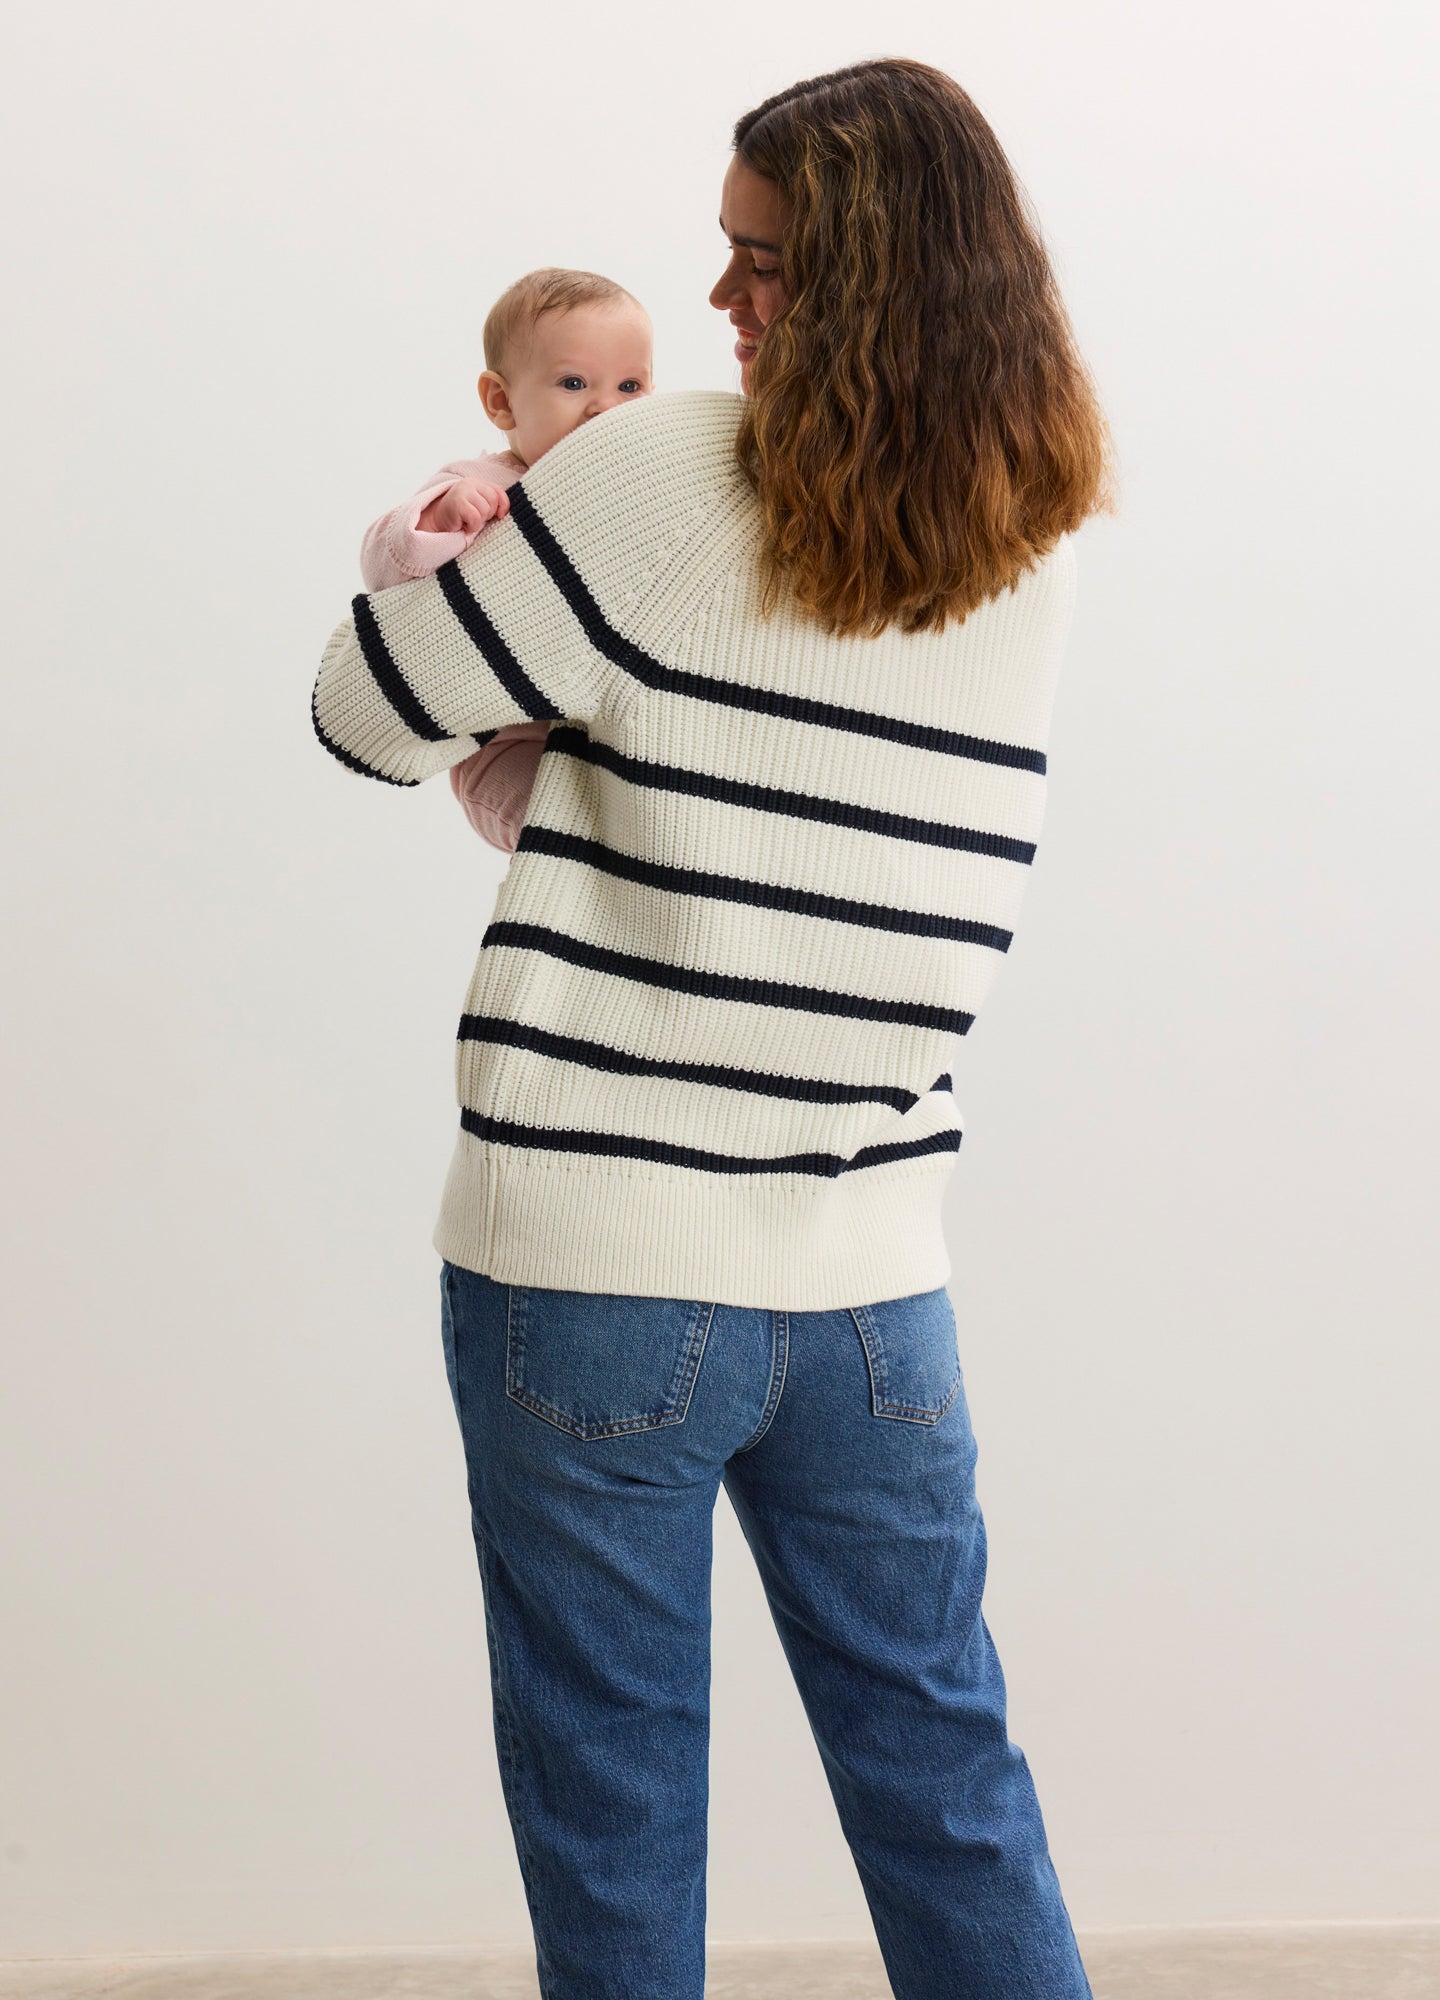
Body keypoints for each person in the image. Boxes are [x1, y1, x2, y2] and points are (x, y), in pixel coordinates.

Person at [311, 54, 1110, 2000]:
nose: (723, 304)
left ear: (860, 278)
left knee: (613, 1814)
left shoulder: (660, 477)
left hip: (595, 1261)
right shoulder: (1024, 534)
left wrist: (471, 551)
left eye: (760, 263)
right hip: (872, 1281)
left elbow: (366, 708)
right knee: (946, 1779)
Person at [358, 265, 654, 852]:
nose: (606, 409)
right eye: (573, 384)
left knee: (647, 810)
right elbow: (384, 566)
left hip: (613, 724)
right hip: (507, 742)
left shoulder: (637, 485)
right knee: (556, 825)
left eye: (630, 387)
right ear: (501, 401)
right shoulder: (480, 486)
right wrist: (440, 518)